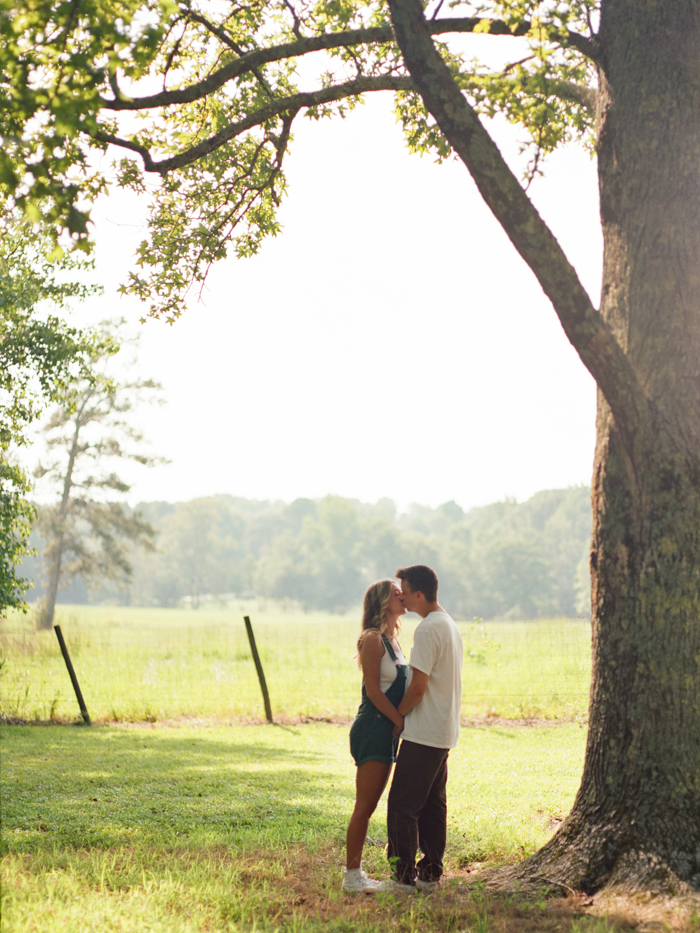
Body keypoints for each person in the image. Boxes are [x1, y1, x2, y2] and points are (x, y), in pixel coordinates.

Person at [376, 565, 463, 894]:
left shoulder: (428, 629)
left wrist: (398, 718)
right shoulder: (448, 623)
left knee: (402, 805)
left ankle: (401, 879)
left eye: (405, 592)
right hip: (442, 731)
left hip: (424, 731)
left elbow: (418, 687)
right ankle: (429, 874)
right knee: (432, 804)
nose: (403, 599)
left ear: (419, 594)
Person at [342, 579, 408, 894]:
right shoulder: (372, 640)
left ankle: (356, 874)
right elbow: (372, 690)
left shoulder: (394, 640)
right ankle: (352, 876)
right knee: (365, 805)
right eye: (398, 594)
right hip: (374, 727)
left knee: (371, 803)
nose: (404, 597)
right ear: (384, 602)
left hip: (388, 728)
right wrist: (398, 720)